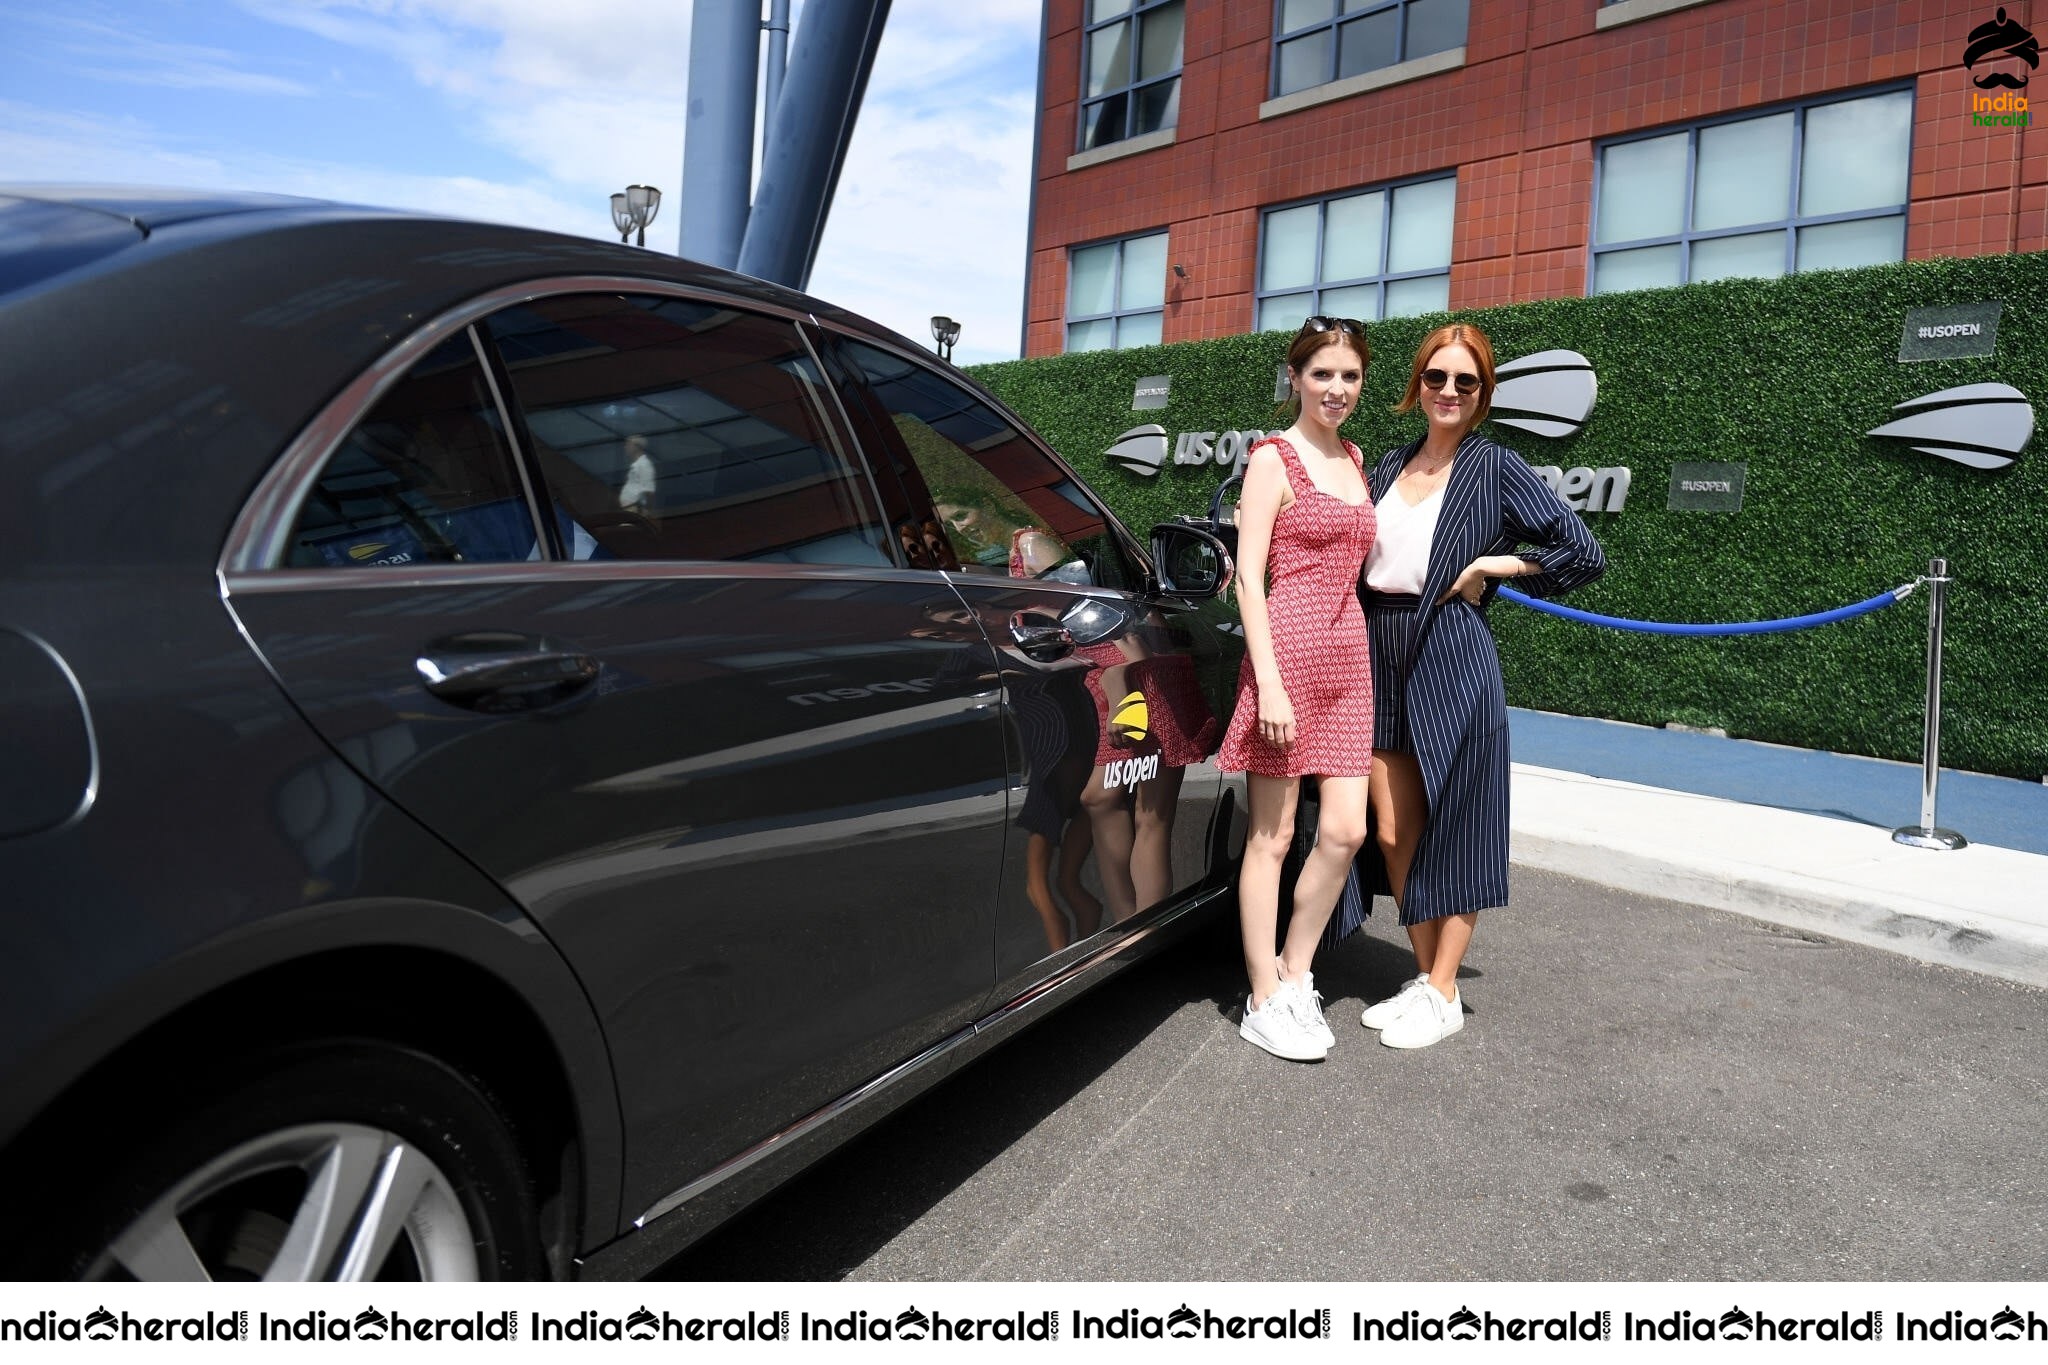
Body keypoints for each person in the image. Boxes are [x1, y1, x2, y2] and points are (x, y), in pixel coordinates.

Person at [1353, 322, 1605, 1049]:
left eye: (1466, 381)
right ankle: (1432, 979)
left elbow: (1582, 551)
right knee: (1395, 827)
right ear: (1418, 384)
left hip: (1452, 649)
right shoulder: (1387, 466)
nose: (1450, 392)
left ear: (1483, 392)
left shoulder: (1494, 465)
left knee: (1458, 822)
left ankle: (1438, 987)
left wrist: (1501, 566)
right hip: (1378, 646)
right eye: (1437, 377)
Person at [1215, 317, 1377, 1062]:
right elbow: (1250, 578)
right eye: (1322, 375)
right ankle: (1262, 996)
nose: (1336, 389)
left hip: (1349, 665)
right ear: (1295, 376)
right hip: (1285, 661)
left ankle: (1296, 973)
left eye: (1348, 376)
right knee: (1272, 836)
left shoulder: (1356, 456)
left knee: (1345, 831)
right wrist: (1270, 686)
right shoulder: (1271, 459)